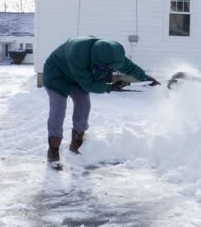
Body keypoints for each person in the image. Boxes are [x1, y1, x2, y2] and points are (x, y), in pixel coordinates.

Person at [42, 36, 160, 169]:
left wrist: (145, 78)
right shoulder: (78, 53)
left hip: (78, 76)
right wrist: (111, 87)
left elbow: (127, 66)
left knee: (84, 105)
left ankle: (77, 143)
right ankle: (53, 149)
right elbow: (89, 85)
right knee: (58, 110)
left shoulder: (109, 53)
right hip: (57, 76)